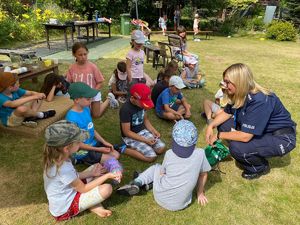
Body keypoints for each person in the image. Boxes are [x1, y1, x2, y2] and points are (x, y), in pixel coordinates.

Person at [205, 63, 297, 180]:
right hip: (263, 131)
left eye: (227, 82)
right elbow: (227, 112)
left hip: (282, 137)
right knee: (223, 125)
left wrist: (218, 135)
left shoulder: (260, 100)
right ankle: (254, 149)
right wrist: (210, 126)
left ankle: (259, 167)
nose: (224, 85)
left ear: (239, 82)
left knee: (237, 147)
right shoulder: (240, 94)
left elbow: (245, 136)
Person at [117, 120, 211, 211]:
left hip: (160, 196)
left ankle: (137, 182)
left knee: (156, 168)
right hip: (181, 204)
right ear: (195, 141)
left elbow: (162, 173)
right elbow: (203, 174)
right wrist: (200, 193)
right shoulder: (201, 154)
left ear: (174, 139)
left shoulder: (169, 153)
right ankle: (149, 183)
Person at [43, 120, 119, 221]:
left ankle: (92, 204)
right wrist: (107, 176)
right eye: (78, 142)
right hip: (66, 208)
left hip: (70, 190)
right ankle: (93, 206)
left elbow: (72, 177)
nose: (81, 143)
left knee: (97, 167)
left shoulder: (58, 158)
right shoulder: (63, 168)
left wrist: (91, 173)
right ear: (66, 148)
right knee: (107, 189)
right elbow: (83, 189)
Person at [65, 82, 122, 181]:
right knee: (114, 157)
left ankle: (96, 163)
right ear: (77, 100)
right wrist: (100, 150)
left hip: (93, 144)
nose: (91, 100)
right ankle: (81, 160)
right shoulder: (71, 118)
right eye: (88, 99)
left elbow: (91, 128)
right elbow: (77, 144)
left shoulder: (86, 108)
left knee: (115, 154)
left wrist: (104, 142)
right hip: (83, 150)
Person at [66, 42, 119, 118]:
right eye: (80, 55)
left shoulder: (92, 67)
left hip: (93, 93)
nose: (83, 57)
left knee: (96, 115)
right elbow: (69, 83)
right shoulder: (72, 68)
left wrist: (92, 93)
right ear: (74, 55)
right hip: (80, 96)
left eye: (85, 54)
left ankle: (109, 99)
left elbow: (100, 82)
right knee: (84, 114)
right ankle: (92, 105)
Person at [119, 83, 166, 162]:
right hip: (130, 137)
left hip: (142, 132)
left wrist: (153, 131)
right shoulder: (125, 110)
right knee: (151, 157)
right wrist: (145, 140)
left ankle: (145, 145)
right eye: (143, 102)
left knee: (161, 148)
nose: (145, 105)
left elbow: (146, 120)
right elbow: (127, 132)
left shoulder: (142, 106)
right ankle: (123, 149)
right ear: (133, 98)